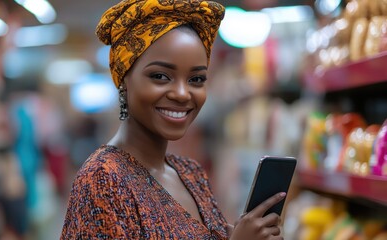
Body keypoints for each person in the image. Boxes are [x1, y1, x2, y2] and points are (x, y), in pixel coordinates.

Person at [61, 0, 286, 239]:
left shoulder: (191, 173)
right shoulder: (103, 179)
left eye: (196, 79)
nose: (182, 93)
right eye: (160, 76)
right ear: (124, 79)